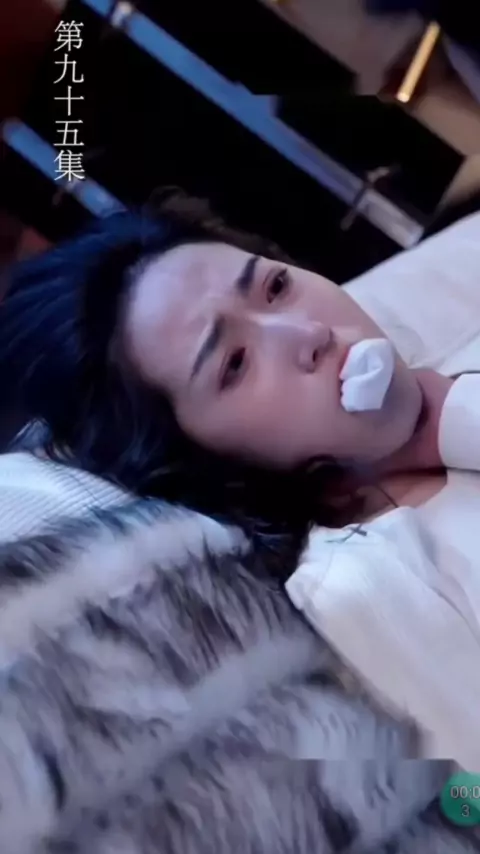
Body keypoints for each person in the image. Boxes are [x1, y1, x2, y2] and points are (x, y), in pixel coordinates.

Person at [0, 190, 479, 851]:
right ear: (197, 456)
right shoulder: (355, 592)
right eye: (234, 363)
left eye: (276, 287)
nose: (308, 334)